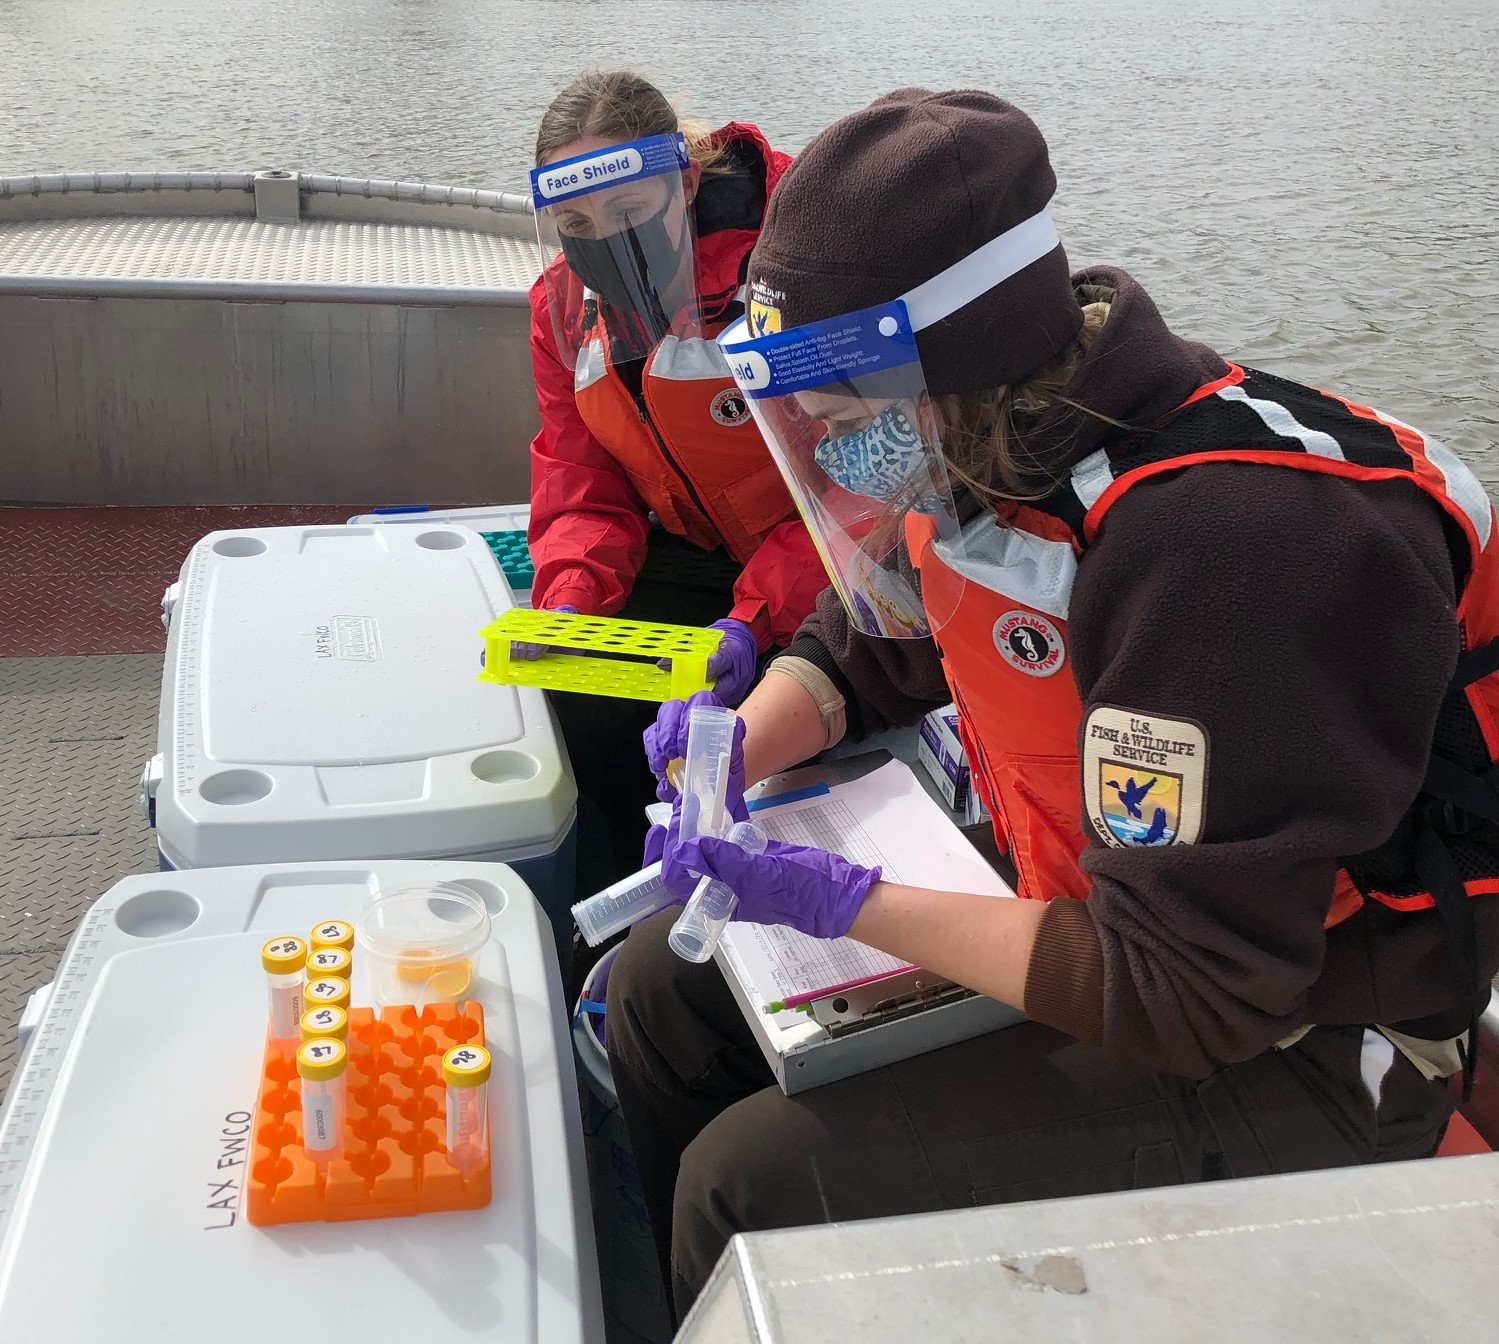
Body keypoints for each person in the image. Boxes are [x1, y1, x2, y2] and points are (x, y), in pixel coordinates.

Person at [607, 88, 1499, 1318]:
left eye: (845, 422)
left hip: (1302, 1029)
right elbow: (878, 639)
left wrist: (842, 900)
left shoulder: (1226, 553)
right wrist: (742, 736)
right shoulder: (988, 440)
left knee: (745, 1185)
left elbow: (1182, 992)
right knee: (662, 987)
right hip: (1109, 900)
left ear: (950, 367)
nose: (835, 455)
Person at [524, 71, 825, 905]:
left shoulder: (793, 274)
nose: (604, 242)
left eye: (626, 210)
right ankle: (613, 906)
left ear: (684, 181)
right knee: (575, 704)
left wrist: (750, 621)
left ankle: (730, 898)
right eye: (575, 226)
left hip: (821, 562)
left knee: (748, 731)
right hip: (694, 550)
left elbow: (856, 490)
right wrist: (571, 602)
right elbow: (579, 477)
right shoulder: (561, 309)